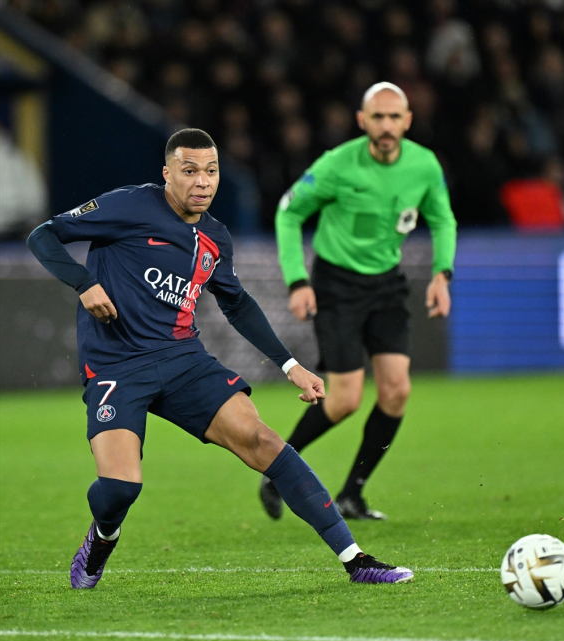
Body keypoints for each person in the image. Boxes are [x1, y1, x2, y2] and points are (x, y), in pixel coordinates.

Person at [26, 128, 413, 588]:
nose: (202, 182)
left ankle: (356, 561)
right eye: (189, 171)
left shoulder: (213, 237)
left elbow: (238, 303)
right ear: (167, 173)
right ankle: (102, 536)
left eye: (210, 171)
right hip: (117, 366)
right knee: (119, 489)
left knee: (266, 443)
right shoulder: (128, 206)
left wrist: (290, 366)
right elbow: (44, 236)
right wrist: (83, 283)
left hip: (183, 360)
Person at [260, 83, 457, 521]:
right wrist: (297, 281)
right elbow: (289, 211)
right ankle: (276, 471)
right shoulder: (337, 165)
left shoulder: (424, 165)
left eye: (394, 117)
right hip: (337, 286)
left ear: (407, 120)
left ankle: (353, 493)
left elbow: (442, 218)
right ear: (362, 120)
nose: (386, 126)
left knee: (397, 391)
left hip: (386, 284)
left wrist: (442, 274)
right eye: (377, 117)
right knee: (345, 398)